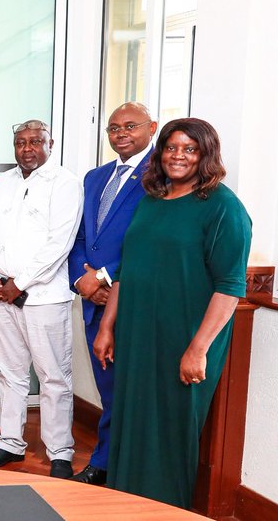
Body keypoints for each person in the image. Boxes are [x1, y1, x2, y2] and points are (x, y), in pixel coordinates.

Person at [93, 118, 251, 508]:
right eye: (171, 147)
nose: (178, 156)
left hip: (184, 339)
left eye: (189, 149)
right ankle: (125, 507)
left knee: (170, 431)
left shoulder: (223, 207)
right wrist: (108, 327)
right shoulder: (151, 200)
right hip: (137, 334)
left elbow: (230, 287)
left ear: (206, 155)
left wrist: (198, 349)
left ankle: (164, 512)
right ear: (160, 152)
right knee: (132, 424)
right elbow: (127, 270)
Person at [0, 121, 82, 478]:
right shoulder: (4, 182)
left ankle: (60, 451)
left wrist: (19, 284)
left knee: (53, 376)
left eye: (35, 141)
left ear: (51, 143)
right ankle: (10, 442)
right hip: (3, 296)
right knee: (9, 372)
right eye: (20, 142)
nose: (27, 148)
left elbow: (59, 245)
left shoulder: (65, 183)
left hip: (43, 298)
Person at [66, 102, 156, 485]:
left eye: (130, 126)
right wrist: (81, 282)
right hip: (93, 304)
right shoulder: (94, 177)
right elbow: (80, 238)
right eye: (113, 128)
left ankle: (109, 466)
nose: (121, 133)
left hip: (134, 302)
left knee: (129, 393)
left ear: (152, 128)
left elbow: (150, 242)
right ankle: (106, 462)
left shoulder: (162, 177)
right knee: (109, 390)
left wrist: (104, 277)